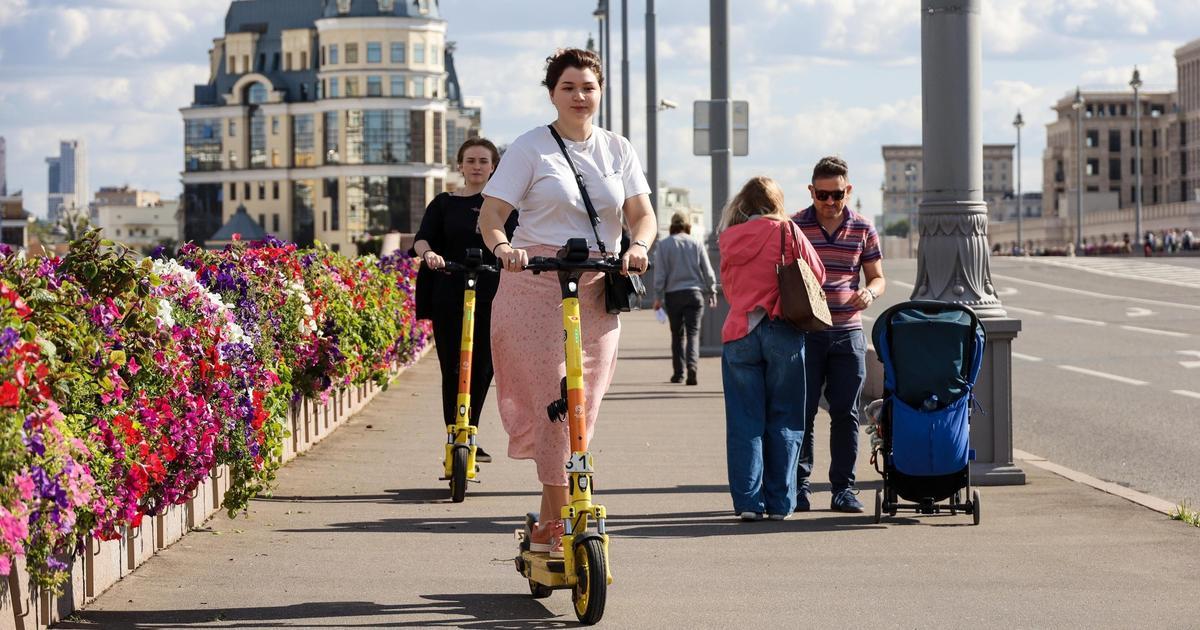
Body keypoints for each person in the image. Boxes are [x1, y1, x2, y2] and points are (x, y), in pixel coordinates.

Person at [478, 48, 656, 556]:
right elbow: (492, 213)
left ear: (600, 93)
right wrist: (505, 248)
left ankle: (545, 528)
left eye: (588, 88)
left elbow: (643, 214)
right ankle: (563, 525)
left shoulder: (618, 149)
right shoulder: (530, 148)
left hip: (597, 286)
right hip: (534, 283)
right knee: (557, 406)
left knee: (581, 409)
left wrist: (638, 246)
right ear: (552, 93)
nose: (580, 96)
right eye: (569, 88)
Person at [718, 176, 825, 521]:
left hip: (739, 332)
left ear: (743, 205)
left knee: (744, 422)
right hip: (782, 330)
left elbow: (728, 286)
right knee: (785, 419)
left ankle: (748, 503)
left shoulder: (729, 238)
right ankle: (781, 503)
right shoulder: (788, 231)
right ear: (777, 201)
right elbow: (817, 274)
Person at [412, 138, 518, 462]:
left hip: (490, 292)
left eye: (483, 161)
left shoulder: (503, 206)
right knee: (453, 366)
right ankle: (453, 432)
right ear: (460, 165)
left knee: (483, 367)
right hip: (449, 291)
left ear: (493, 167)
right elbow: (422, 239)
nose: (476, 166)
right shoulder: (443, 203)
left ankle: (470, 430)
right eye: (470, 160)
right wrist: (429, 254)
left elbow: (517, 241)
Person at [793, 156, 885, 513]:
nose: (830, 203)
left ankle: (843, 490)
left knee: (846, 413)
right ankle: (798, 488)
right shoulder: (796, 226)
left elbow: (877, 276)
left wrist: (871, 292)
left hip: (847, 332)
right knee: (802, 413)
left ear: (848, 191)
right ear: (812, 192)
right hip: (807, 332)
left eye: (836, 195)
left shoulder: (863, 228)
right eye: (822, 195)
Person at [652, 211, 716, 385]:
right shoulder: (697, 243)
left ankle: (678, 374)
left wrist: (658, 296)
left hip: (673, 296)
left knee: (677, 335)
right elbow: (708, 271)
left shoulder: (664, 245)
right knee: (693, 334)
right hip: (694, 295)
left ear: (672, 226)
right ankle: (692, 367)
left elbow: (660, 275)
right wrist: (712, 291)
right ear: (688, 226)